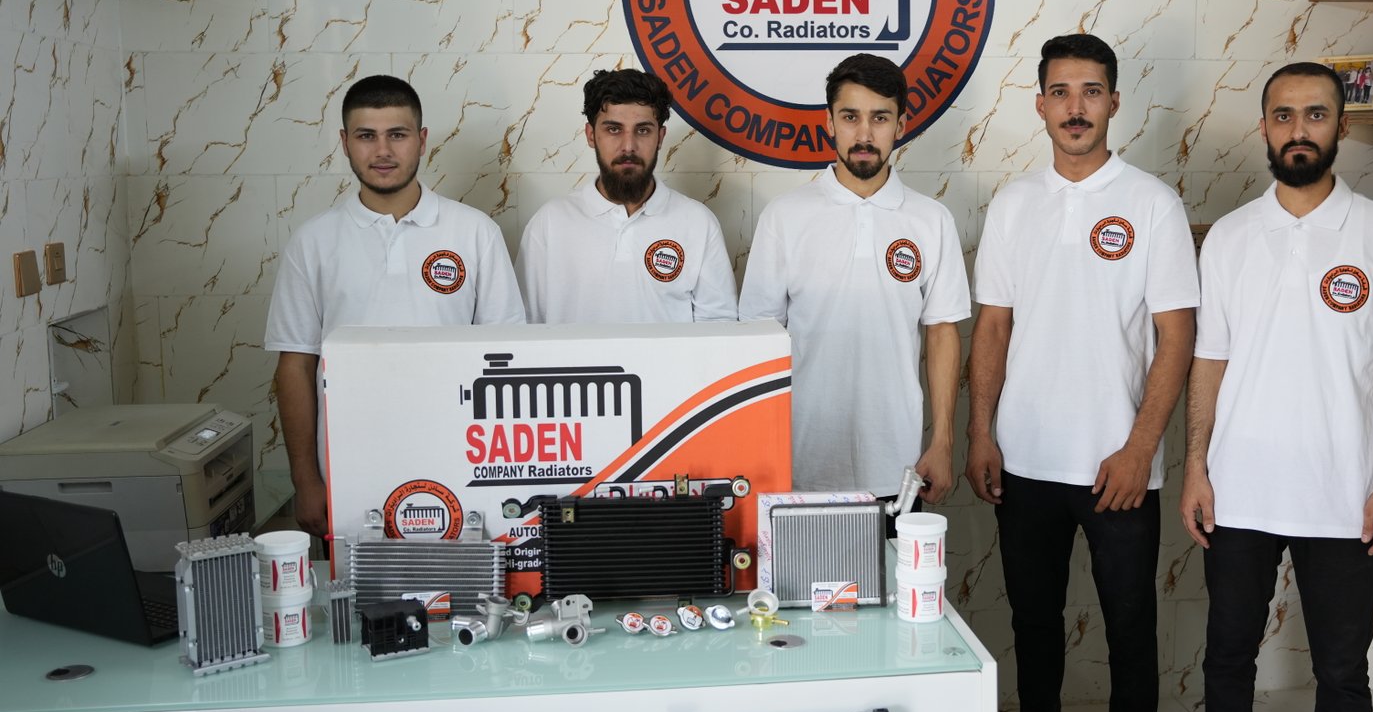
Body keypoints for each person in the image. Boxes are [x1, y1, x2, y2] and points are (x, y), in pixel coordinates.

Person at [1165, 62, 1373, 712]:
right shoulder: (1230, 237)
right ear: (1264, 128)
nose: (1298, 129)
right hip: (1240, 488)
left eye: (1315, 114)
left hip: (1342, 494)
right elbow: (1209, 361)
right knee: (1227, 653)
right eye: (1283, 115)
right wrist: (1196, 466)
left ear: (1341, 126)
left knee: (1343, 670)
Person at [965, 33, 1199, 712]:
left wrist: (1140, 448)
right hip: (1024, 456)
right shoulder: (1013, 203)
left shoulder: (1152, 204)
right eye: (1061, 92)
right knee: (1033, 616)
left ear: (1114, 102)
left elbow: (1177, 335)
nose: (1075, 107)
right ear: (1039, 104)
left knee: (1129, 623)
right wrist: (981, 432)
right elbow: (992, 327)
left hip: (1115, 465)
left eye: (1091, 91)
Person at [264, 75, 524, 536]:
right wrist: (305, 479)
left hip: (460, 461)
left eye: (397, 135)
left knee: (461, 578)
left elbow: (505, 358)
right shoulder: (313, 242)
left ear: (421, 141)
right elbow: (295, 365)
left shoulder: (474, 232)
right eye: (366, 136)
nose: (382, 151)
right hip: (348, 467)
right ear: (345, 142)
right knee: (357, 581)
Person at [739, 53, 969, 509]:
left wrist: (942, 443)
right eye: (850, 117)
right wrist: (759, 448)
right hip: (800, 466)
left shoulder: (931, 219)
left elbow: (942, 332)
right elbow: (758, 342)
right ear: (829, 122)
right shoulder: (785, 217)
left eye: (880, 118)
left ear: (901, 125)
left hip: (899, 468)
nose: (864, 135)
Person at [517, 69, 735, 324]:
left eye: (642, 130)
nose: (628, 146)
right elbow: (525, 328)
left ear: (660, 137)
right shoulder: (550, 222)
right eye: (614, 129)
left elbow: (719, 327)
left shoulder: (697, 222)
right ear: (591, 135)